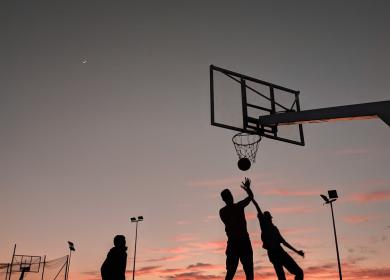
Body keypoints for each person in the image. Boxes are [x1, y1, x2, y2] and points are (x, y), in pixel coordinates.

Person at [252, 197, 304, 280]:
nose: (270, 220)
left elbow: (284, 242)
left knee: (299, 272)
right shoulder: (264, 226)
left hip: (280, 252)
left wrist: (297, 251)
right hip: (273, 254)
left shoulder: (275, 229)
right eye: (268, 218)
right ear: (265, 219)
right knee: (282, 278)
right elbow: (257, 206)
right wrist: (250, 194)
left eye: (270, 218)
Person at [219, 177, 254, 280]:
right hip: (241, 242)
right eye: (230, 195)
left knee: (232, 272)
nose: (231, 197)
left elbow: (250, 197)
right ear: (229, 197)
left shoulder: (223, 211)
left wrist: (248, 189)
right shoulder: (237, 207)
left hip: (235, 243)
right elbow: (251, 196)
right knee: (247, 273)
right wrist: (247, 189)